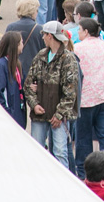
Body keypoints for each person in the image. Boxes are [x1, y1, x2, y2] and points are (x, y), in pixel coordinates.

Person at [25, 20, 80, 167]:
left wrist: (59, 114)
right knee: (37, 149)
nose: (42, 38)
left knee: (60, 152)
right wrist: (34, 105)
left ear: (49, 36)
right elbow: (29, 85)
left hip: (58, 117)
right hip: (40, 113)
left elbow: (70, 91)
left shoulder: (68, 59)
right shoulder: (40, 56)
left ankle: (62, 186)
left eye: (44, 35)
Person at [72, 17, 104, 178]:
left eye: (79, 30)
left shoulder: (77, 48)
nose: (78, 33)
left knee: (83, 137)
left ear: (86, 32)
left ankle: (83, 170)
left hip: (85, 98)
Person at [0, 31, 26, 126]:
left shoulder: (16, 64)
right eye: (21, 42)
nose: (23, 44)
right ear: (15, 45)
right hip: (7, 117)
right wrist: (6, 113)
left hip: (17, 114)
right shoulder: (1, 65)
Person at [6, 0, 45, 81]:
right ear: (32, 11)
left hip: (14, 68)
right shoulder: (39, 29)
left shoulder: (11, 27)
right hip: (33, 70)